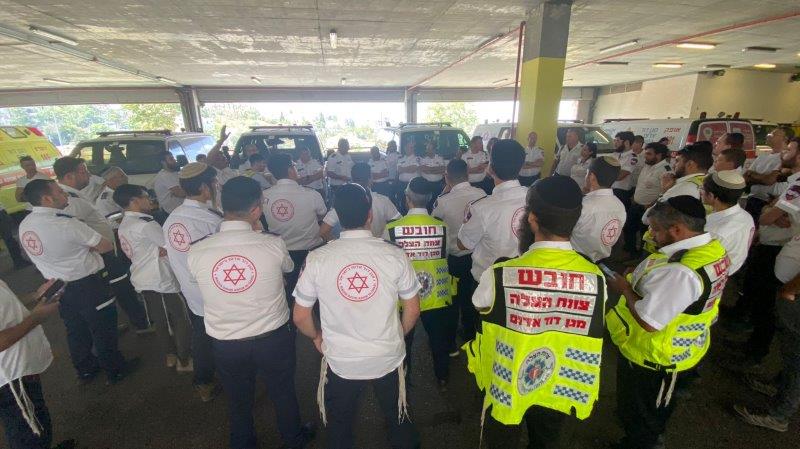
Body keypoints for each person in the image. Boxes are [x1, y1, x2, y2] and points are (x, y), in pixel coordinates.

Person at [466, 175, 606, 449]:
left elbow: (481, 306)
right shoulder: (595, 277)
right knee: (547, 439)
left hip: (509, 378)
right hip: (559, 383)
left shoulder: (501, 273)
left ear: (531, 218)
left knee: (503, 437)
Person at [187, 177, 314, 449]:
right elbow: (288, 268)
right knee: (282, 391)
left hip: (226, 341)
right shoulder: (272, 243)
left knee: (237, 398)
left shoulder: (197, 249)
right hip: (272, 338)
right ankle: (293, 439)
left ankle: (243, 442)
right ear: (256, 210)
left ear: (222, 205)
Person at [292, 183, 421, 449]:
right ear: (370, 215)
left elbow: (301, 316)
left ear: (338, 216)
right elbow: (412, 309)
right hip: (387, 354)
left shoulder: (317, 258)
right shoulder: (395, 254)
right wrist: (396, 335)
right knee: (397, 416)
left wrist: (317, 337)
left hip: (341, 357)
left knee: (340, 422)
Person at [606, 196, 730, 449]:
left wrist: (625, 289)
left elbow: (649, 321)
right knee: (643, 406)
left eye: (655, 229)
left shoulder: (682, 272)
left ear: (677, 230)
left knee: (647, 415)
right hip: (681, 346)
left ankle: (641, 442)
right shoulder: (711, 250)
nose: (651, 235)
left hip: (656, 357)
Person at [19, 179, 134, 385]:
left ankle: (86, 369)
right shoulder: (66, 224)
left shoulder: (26, 224)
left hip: (58, 287)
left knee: (76, 329)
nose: (65, 195)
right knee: (103, 327)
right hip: (87, 284)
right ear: (47, 199)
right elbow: (105, 245)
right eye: (59, 192)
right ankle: (115, 369)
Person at [53, 157, 152, 335]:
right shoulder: (69, 201)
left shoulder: (74, 195)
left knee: (114, 290)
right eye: (83, 171)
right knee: (122, 288)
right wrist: (100, 250)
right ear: (69, 176)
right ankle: (142, 324)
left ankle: (123, 324)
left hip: (100, 252)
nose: (89, 175)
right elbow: (76, 235)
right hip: (100, 254)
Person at [731, 138, 800, 368]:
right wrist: (772, 209)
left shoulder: (797, 185)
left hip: (782, 255)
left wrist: (771, 209)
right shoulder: (789, 180)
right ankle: (753, 346)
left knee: (767, 307)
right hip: (777, 249)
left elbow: (767, 216)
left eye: (789, 150)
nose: (784, 153)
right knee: (761, 301)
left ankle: (755, 355)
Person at [385, 177, 454, 388]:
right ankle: (443, 377)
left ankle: (404, 382)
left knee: (404, 340)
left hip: (404, 298)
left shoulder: (392, 228)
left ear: (407, 199)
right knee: (439, 341)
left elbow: (387, 261)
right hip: (437, 295)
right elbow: (446, 254)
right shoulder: (442, 227)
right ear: (430, 198)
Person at [115, 184, 192, 372]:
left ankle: (170, 355)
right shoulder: (145, 224)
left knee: (160, 320)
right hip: (159, 279)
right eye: (145, 196)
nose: (150, 200)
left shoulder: (125, 223)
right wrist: (163, 249)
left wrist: (161, 249)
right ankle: (184, 360)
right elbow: (170, 246)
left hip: (144, 277)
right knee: (179, 318)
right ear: (134, 201)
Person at [162, 162, 223, 402]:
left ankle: (203, 382)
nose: (217, 187)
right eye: (214, 183)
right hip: (214, 291)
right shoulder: (211, 221)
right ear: (205, 188)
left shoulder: (171, 219)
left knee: (201, 334)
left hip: (191, 290)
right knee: (223, 336)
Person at [734, 233, 800, 432]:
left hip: (794, 295)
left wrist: (789, 290)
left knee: (797, 359)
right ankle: (780, 386)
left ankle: (779, 415)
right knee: (791, 355)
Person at [0, 278, 74, 449]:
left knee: (36, 421)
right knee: (27, 433)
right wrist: (36, 317)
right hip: (10, 379)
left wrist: (35, 295)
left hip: (17, 370)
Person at [458, 139, 528, 283]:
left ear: (490, 168)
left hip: (489, 285)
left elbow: (463, 244)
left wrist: (466, 218)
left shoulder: (481, 208)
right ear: (521, 167)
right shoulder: (535, 199)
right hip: (523, 281)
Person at [432, 159, 486, 342]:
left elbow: (434, 222)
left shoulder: (443, 201)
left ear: (446, 177)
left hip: (455, 258)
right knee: (472, 295)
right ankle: (471, 334)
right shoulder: (481, 193)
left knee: (453, 299)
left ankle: (451, 341)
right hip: (476, 254)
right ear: (468, 173)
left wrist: (445, 189)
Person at [263, 154, 327, 305]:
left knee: (288, 292)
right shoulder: (311, 194)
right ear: (290, 170)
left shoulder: (264, 196)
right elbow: (322, 215)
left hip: (281, 253)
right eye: (294, 166)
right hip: (310, 252)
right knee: (313, 294)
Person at [320, 162, 399, 240]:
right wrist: (385, 240)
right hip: (379, 245)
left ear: (352, 179)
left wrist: (337, 244)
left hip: (349, 246)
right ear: (370, 179)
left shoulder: (344, 201)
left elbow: (323, 232)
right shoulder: (383, 201)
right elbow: (399, 223)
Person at [571, 156, 626, 262]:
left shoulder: (583, 205)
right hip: (602, 260)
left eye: (587, 173)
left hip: (577, 259)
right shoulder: (620, 206)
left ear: (591, 177)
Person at [700, 171, 754, 275]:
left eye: (702, 189)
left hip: (715, 275)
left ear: (711, 196)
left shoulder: (715, 231)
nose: (700, 192)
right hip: (733, 268)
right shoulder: (746, 216)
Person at [624, 143, 671, 258]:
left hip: (649, 208)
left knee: (645, 234)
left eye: (649, 154)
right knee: (629, 228)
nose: (645, 156)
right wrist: (635, 196)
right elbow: (642, 183)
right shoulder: (647, 165)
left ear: (658, 155)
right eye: (646, 153)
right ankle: (631, 252)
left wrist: (652, 204)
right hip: (636, 204)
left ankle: (640, 258)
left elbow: (667, 192)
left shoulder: (666, 170)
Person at [744, 127, 792, 221]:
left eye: (773, 134)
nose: (768, 135)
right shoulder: (762, 156)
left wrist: (754, 176)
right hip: (752, 199)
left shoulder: (786, 159)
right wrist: (763, 178)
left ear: (785, 139)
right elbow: (746, 177)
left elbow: (769, 180)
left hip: (770, 203)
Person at [611, 131, 638, 210]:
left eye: (618, 141)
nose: (615, 143)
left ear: (626, 142)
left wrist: (607, 174)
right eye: (615, 140)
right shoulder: (615, 154)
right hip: (611, 189)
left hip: (621, 193)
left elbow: (620, 176)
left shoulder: (632, 157)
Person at [419, 141, 446, 209]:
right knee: (427, 202)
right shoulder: (423, 158)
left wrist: (430, 170)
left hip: (438, 184)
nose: (427, 150)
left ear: (434, 149)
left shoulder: (439, 158)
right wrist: (437, 169)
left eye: (429, 149)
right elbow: (423, 169)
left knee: (437, 202)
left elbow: (443, 169)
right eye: (427, 149)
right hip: (426, 184)